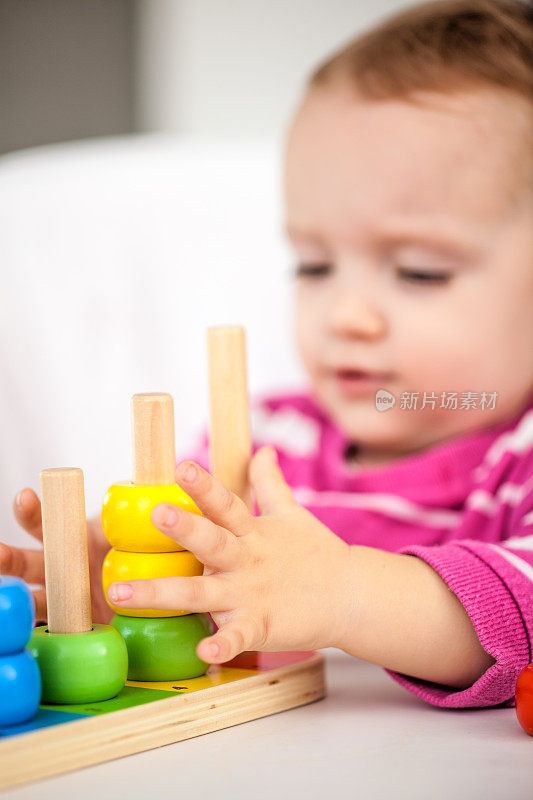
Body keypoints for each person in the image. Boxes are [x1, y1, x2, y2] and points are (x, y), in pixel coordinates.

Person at [3, 0, 533, 709]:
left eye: (418, 272)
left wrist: (343, 594)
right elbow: (204, 605)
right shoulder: (260, 445)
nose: (344, 314)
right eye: (314, 266)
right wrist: (135, 582)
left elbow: (521, 614)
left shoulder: (517, 462)